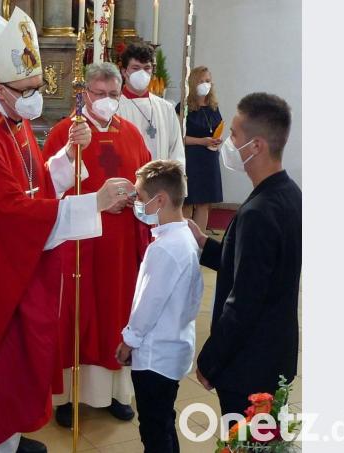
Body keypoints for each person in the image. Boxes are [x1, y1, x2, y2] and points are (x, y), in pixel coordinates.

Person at [0, 8, 132, 453]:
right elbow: (7, 214)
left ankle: (5, 438)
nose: (33, 98)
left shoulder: (14, 121)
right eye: (24, 90)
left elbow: (34, 184)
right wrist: (93, 203)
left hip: (15, 265)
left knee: (17, 364)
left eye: (35, 88)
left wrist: (65, 157)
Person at [42, 62, 151, 427]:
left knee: (115, 314)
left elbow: (145, 183)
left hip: (119, 245)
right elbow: (50, 187)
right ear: (84, 93)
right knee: (75, 315)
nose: (106, 101)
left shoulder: (133, 134)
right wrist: (98, 202)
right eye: (99, 94)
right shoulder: (66, 133)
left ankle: (114, 394)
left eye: (113, 95)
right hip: (79, 243)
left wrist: (134, 200)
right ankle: (66, 397)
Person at [188, 93, 302, 418]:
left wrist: (210, 360)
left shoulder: (258, 212)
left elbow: (244, 301)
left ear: (256, 146)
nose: (227, 142)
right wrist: (204, 245)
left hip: (249, 364)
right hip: (274, 355)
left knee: (245, 442)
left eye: (235, 135)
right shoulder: (289, 193)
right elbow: (255, 267)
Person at [115, 160, 204, 453]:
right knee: (164, 421)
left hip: (156, 356)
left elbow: (148, 304)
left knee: (154, 430)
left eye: (140, 197)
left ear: (161, 199)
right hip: (175, 347)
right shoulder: (185, 238)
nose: (137, 204)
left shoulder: (165, 248)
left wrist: (129, 341)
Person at [116, 42, 185, 167]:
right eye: (136, 68)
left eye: (146, 68)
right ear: (124, 71)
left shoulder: (166, 108)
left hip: (161, 182)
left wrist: (174, 182)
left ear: (152, 70)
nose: (142, 73)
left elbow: (176, 151)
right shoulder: (115, 108)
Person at [176, 66, 223, 232]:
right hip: (191, 158)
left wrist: (216, 140)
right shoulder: (183, 108)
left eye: (208, 81)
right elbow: (178, 137)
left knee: (204, 203)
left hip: (209, 159)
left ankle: (199, 243)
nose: (205, 84)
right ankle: (184, 240)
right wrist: (201, 141)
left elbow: (217, 128)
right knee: (187, 202)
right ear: (193, 83)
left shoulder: (213, 107)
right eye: (201, 81)